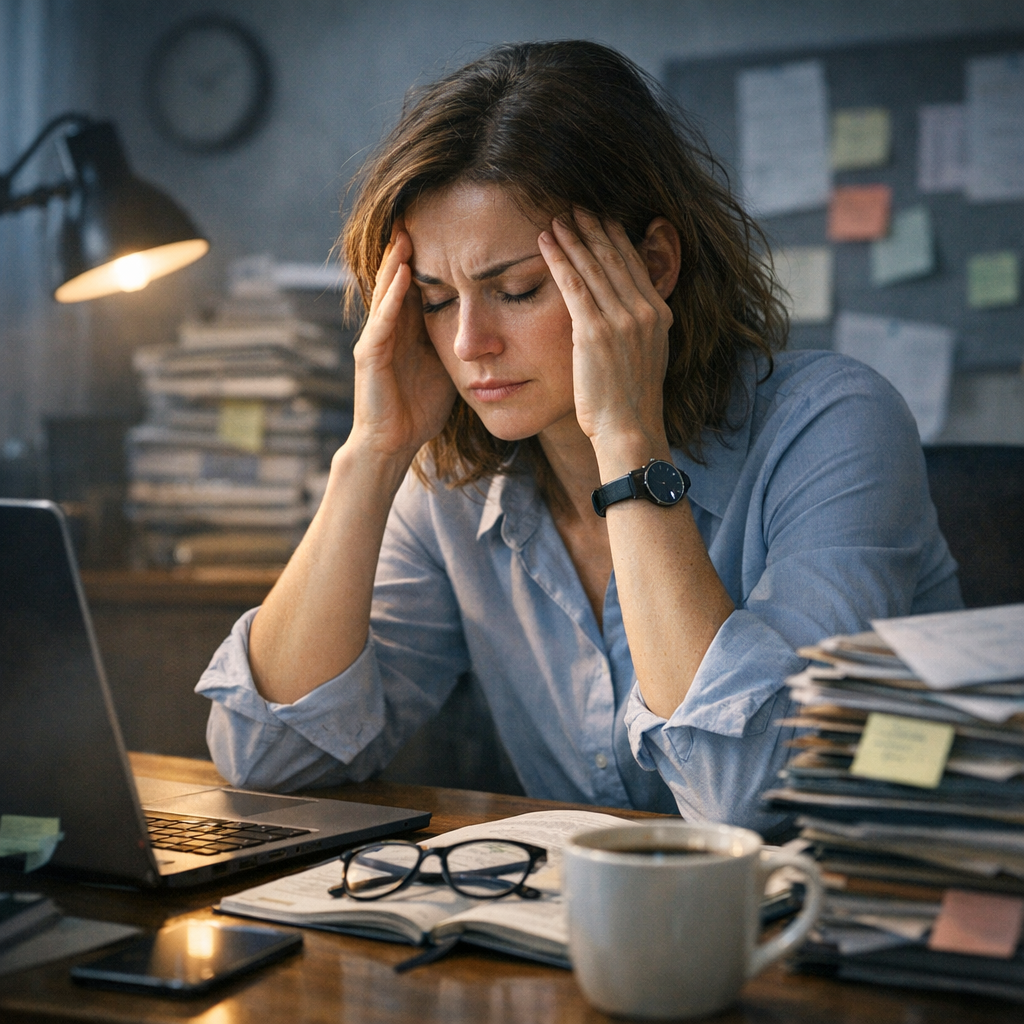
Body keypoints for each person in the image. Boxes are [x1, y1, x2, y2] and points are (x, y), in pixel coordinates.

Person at [197, 41, 960, 837]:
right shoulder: (452, 485)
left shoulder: (834, 424)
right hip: (582, 938)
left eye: (517, 290)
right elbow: (267, 763)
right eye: (435, 300)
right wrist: (372, 454)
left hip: (836, 934)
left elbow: (749, 797)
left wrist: (628, 439)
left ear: (653, 264)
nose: (469, 344)